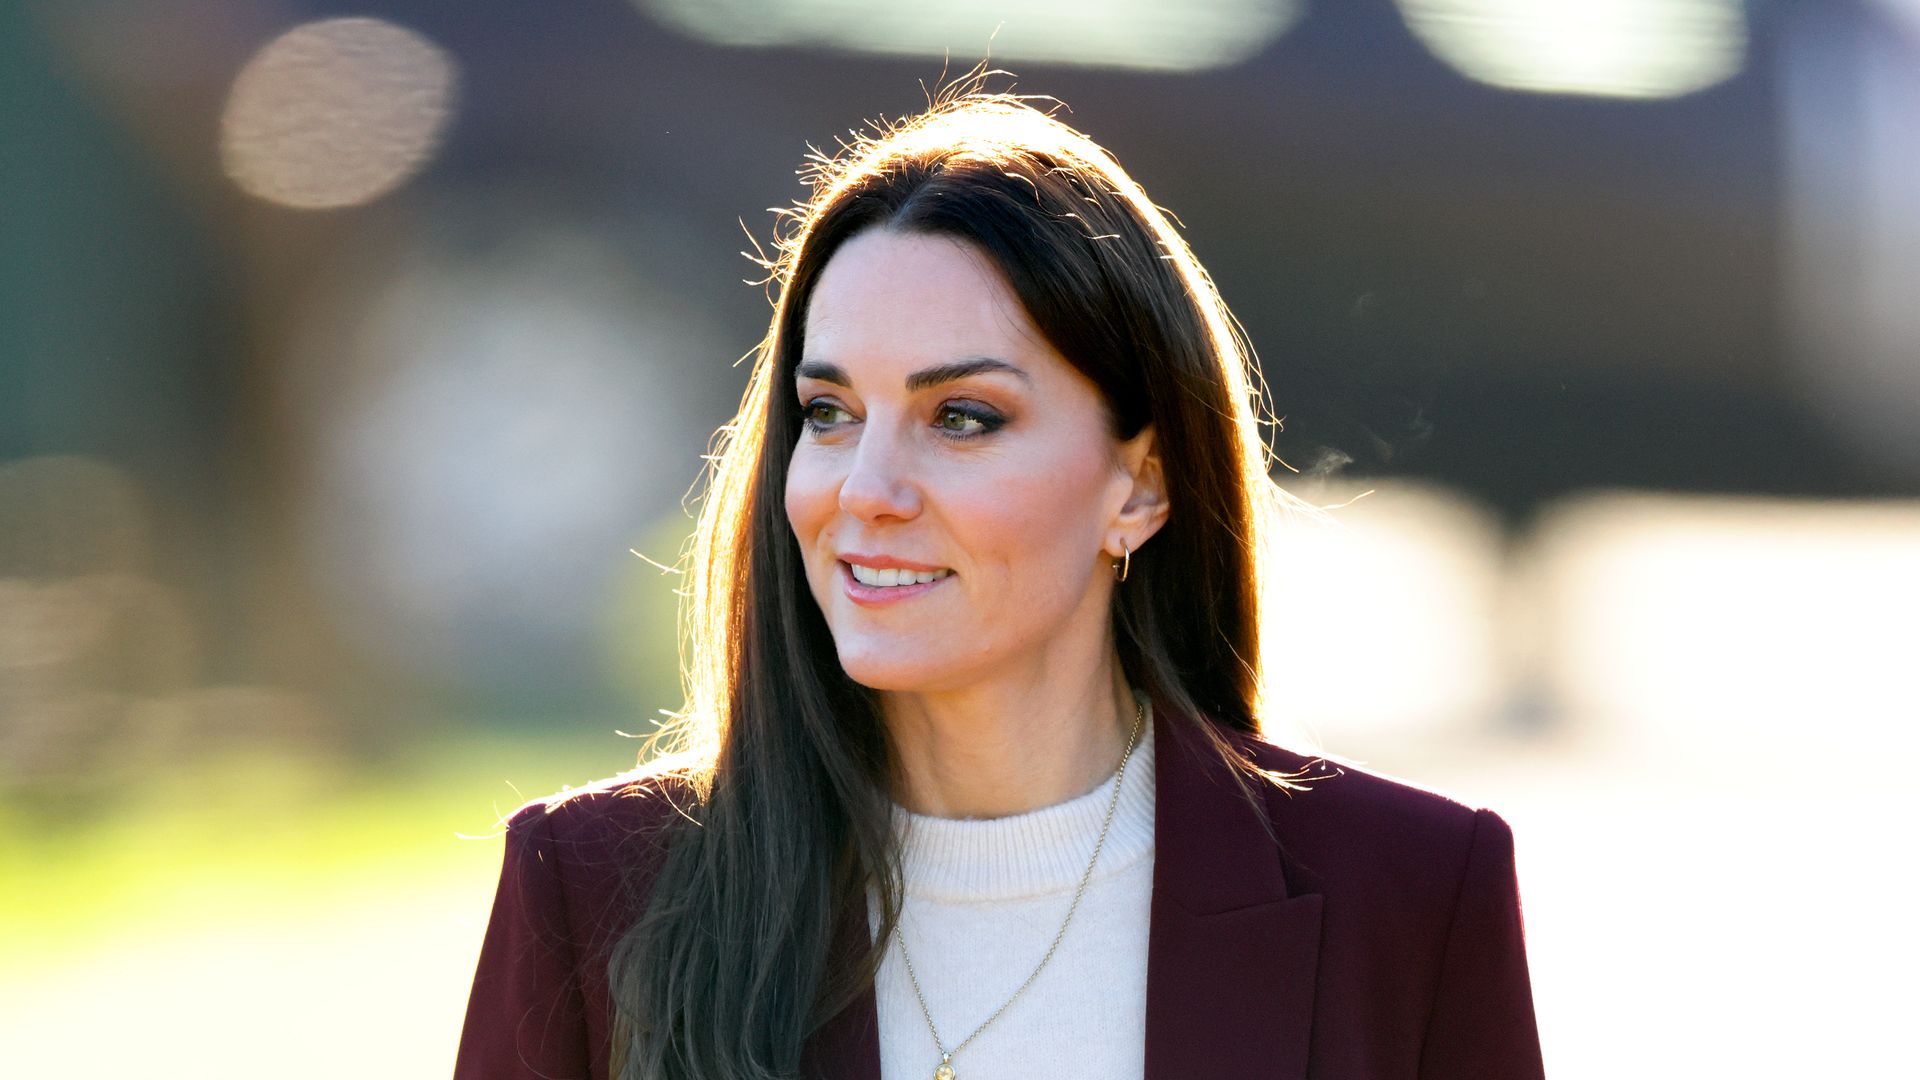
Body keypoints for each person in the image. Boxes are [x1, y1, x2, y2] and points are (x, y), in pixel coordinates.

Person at [454, 86, 1545, 1080]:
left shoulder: (1408, 897)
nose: (865, 489)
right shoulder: (591, 889)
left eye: (961, 418)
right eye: (830, 414)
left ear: (1142, 487)